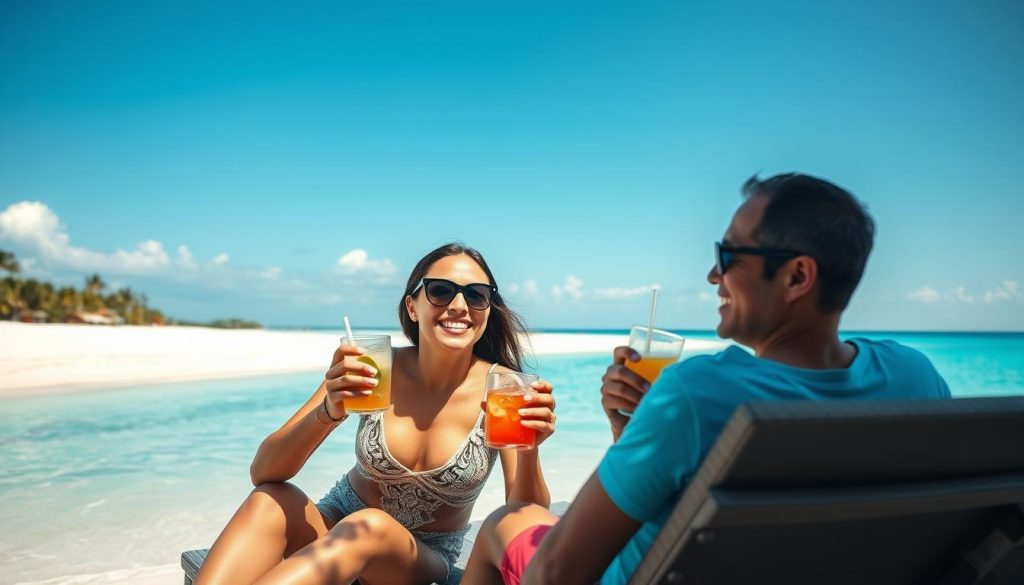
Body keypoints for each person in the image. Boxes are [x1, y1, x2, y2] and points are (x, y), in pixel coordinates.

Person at [461, 173, 952, 585]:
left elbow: (557, 571)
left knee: (507, 523)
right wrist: (637, 429)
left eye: (728, 255)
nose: (712, 276)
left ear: (797, 277)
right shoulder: (916, 377)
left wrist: (662, 417)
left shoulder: (697, 395)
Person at [195, 243, 557, 585]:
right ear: (413, 307)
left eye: (476, 295)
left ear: (488, 309)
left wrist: (529, 449)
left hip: (420, 559)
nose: (460, 305)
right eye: (441, 290)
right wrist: (329, 410)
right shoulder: (374, 365)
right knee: (269, 499)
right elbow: (265, 472)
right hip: (335, 528)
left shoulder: (506, 388)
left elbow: (524, 518)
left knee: (370, 525)